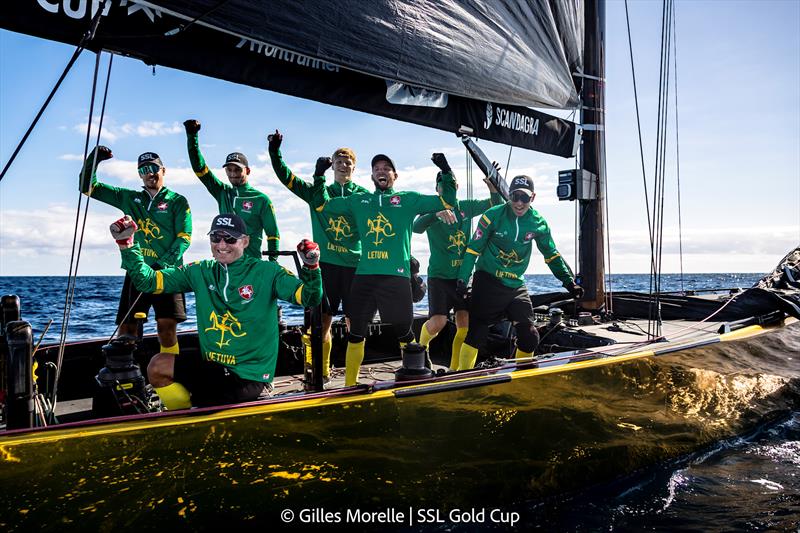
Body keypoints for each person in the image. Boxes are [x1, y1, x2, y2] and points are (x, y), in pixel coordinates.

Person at [109, 213, 322, 409]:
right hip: (213, 366)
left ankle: (197, 416)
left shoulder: (268, 272)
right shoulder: (201, 271)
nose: (222, 244)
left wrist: (311, 268)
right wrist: (126, 244)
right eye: (216, 238)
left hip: (250, 376)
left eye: (230, 238)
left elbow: (309, 297)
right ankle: (181, 420)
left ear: (245, 241)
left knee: (206, 398)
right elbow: (148, 281)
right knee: (157, 366)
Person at [313, 152, 458, 385]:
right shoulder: (359, 201)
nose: (382, 171)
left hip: (396, 278)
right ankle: (350, 385)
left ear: (395, 175)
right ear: (371, 175)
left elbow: (448, 201)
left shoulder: (407, 200)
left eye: (387, 168)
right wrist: (319, 175)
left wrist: (447, 170)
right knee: (355, 332)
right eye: (377, 168)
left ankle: (417, 373)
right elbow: (321, 206)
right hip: (364, 277)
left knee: (404, 331)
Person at [267, 129, 368, 380]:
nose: (344, 165)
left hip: (356, 267)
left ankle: (352, 379)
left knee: (355, 324)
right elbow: (285, 177)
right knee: (320, 323)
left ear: (354, 168)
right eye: (339, 162)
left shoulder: (363, 196)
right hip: (325, 268)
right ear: (332, 166)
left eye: (348, 163)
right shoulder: (317, 192)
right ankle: (321, 372)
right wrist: (274, 150)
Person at [455, 175, 584, 370]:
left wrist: (568, 282)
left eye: (524, 198)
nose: (519, 203)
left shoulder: (538, 222)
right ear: (509, 196)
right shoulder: (493, 215)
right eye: (515, 197)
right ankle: (462, 376)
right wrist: (463, 279)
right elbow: (473, 249)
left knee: (530, 336)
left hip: (515, 284)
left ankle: (520, 374)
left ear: (533, 198)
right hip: (488, 280)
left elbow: (551, 255)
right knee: (477, 334)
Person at [80, 146, 191, 356]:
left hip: (169, 275)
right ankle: (126, 378)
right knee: (127, 329)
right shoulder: (128, 197)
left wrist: (161, 266)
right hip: (137, 272)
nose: (150, 173)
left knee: (166, 328)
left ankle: (167, 376)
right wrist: (94, 160)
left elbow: (184, 237)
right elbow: (87, 187)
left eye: (154, 168)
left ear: (163, 171)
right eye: (144, 170)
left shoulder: (178, 201)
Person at [412, 171, 503, 370]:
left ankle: (455, 370)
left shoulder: (466, 207)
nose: (447, 187)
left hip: (463, 277)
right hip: (439, 277)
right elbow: (416, 227)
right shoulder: (433, 208)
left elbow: (496, 206)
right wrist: (435, 214)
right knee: (438, 323)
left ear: (458, 187)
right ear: (437, 189)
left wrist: (492, 187)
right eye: (443, 185)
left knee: (465, 326)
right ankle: (422, 347)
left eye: (452, 183)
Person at [183, 119, 280, 261]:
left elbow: (273, 234)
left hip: (251, 264)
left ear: (247, 170)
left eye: (237, 169)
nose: (233, 173)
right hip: (225, 261)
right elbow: (200, 169)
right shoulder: (222, 192)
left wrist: (273, 263)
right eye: (229, 169)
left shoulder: (261, 200)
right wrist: (192, 137)